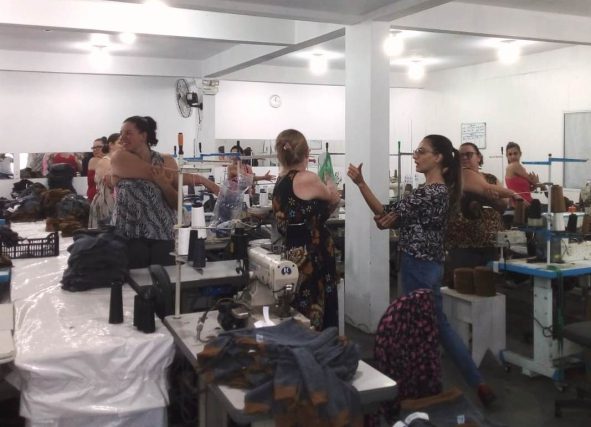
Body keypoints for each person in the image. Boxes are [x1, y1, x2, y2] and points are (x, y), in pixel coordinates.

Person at [348, 135, 496, 407]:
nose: (415, 155)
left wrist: (360, 184)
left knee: (420, 327)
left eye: (421, 151)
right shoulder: (437, 192)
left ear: (438, 157)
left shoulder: (429, 193)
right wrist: (388, 220)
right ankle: (474, 383)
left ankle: (419, 387)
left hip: (417, 265)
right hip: (430, 264)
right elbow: (390, 218)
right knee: (435, 325)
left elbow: (384, 212)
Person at [272, 129, 340, 331]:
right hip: (313, 253)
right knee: (316, 303)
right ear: (307, 153)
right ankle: (320, 342)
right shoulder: (307, 178)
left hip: (292, 251)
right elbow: (334, 198)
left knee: (297, 303)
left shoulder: (281, 179)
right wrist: (329, 178)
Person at [110, 116, 178, 268]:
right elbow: (155, 173)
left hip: (163, 234)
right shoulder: (120, 158)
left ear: (143, 136)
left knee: (164, 278)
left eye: (128, 133)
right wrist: (201, 180)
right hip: (129, 234)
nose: (122, 138)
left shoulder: (166, 161)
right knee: (134, 280)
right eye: (121, 133)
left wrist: (164, 184)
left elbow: (177, 203)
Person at [446, 142, 524, 273]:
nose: (464, 158)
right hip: (463, 246)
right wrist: (512, 195)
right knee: (464, 281)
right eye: (460, 155)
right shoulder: (456, 178)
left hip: (492, 245)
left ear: (479, 157)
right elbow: (484, 189)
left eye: (468, 154)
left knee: (488, 282)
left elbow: (503, 206)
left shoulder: (491, 178)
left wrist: (493, 199)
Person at [88, 133, 120, 228]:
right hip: (105, 202)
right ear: (111, 145)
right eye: (120, 142)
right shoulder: (105, 161)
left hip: (112, 201)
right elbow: (110, 183)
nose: (123, 145)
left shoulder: (114, 161)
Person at [86, 137, 107, 202]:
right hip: (95, 198)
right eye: (94, 148)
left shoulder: (106, 160)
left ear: (106, 147)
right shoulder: (94, 160)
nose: (95, 149)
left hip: (102, 197)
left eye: (98, 147)